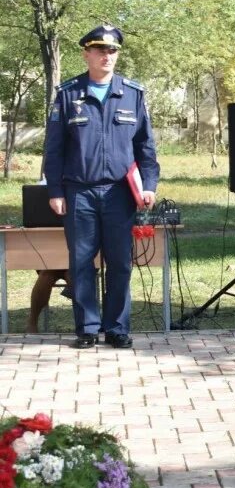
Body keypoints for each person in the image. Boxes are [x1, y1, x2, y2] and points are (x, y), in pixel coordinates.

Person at [43, 25, 159, 349]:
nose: (107, 56)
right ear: (86, 54)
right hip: (78, 191)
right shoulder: (68, 94)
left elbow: (146, 147)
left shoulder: (133, 94)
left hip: (120, 194)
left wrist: (149, 185)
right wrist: (54, 191)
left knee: (120, 262)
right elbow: (54, 149)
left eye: (112, 51)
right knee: (81, 262)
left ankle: (117, 328)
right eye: (100, 50)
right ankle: (88, 328)